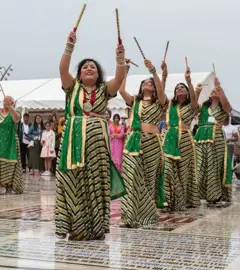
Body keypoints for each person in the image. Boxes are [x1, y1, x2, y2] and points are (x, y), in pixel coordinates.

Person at [55, 30, 126, 240]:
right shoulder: (72, 87)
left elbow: (120, 77)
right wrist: (69, 46)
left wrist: (120, 58)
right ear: (79, 73)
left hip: (97, 146)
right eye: (85, 66)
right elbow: (62, 69)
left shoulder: (104, 90)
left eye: (93, 67)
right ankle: (74, 226)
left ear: (98, 74)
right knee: (71, 180)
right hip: (72, 143)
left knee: (95, 182)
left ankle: (94, 228)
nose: (88, 68)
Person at [119, 59, 168, 228]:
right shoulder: (134, 101)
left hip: (152, 143)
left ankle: (146, 216)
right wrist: (125, 70)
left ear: (154, 87)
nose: (147, 83)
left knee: (148, 179)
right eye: (145, 82)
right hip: (133, 141)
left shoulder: (159, 102)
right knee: (130, 177)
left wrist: (154, 71)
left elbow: (161, 91)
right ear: (141, 87)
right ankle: (128, 216)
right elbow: (121, 90)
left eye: (151, 82)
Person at [160, 63, 200, 211]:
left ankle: (181, 201)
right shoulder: (169, 105)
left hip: (184, 140)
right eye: (177, 88)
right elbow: (160, 94)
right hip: (169, 138)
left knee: (183, 172)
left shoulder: (192, 106)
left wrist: (188, 81)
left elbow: (195, 99)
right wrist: (163, 75)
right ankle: (167, 199)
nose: (180, 89)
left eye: (182, 87)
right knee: (167, 169)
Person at [195, 78, 233, 206]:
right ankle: (197, 195)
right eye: (212, 90)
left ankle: (214, 195)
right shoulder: (204, 107)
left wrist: (219, 88)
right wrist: (197, 91)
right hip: (201, 138)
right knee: (199, 166)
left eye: (216, 91)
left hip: (216, 137)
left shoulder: (223, 108)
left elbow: (228, 108)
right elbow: (193, 107)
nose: (214, 92)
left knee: (214, 165)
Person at [0, 96, 24, 195]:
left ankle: (9, 188)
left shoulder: (16, 112)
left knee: (9, 164)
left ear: (12, 103)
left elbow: (16, 119)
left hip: (10, 140)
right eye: (3, 101)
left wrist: (10, 108)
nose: (4, 102)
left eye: (6, 101)